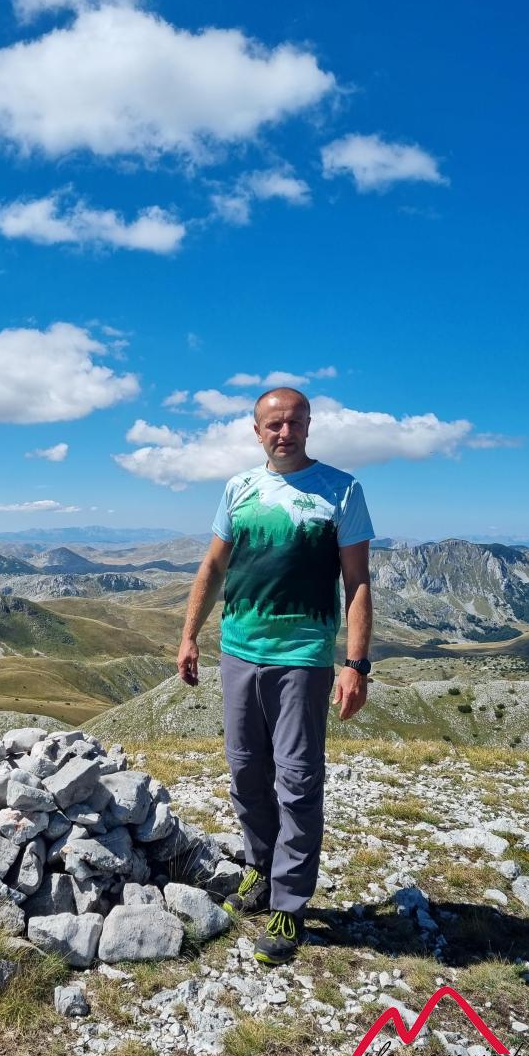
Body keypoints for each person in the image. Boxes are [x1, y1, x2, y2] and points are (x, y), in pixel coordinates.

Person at [176, 387, 374, 966]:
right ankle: (260, 870)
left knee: (298, 779)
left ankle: (289, 902)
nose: (284, 433)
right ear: (256, 430)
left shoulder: (342, 489)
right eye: (273, 424)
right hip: (239, 651)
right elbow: (214, 565)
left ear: (308, 425)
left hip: (303, 657)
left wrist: (355, 664)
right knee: (245, 771)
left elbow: (357, 581)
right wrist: (190, 635)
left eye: (294, 422)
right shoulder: (238, 488)